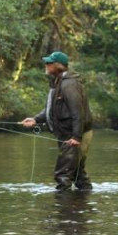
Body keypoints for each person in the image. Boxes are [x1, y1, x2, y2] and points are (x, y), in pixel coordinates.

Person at [21, 51, 93, 191]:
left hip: (73, 136)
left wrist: (76, 137)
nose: (46, 65)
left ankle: (62, 209)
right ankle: (82, 204)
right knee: (78, 175)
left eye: (49, 63)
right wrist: (35, 119)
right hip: (68, 134)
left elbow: (78, 111)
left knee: (62, 175)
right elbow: (52, 109)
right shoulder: (58, 83)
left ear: (58, 66)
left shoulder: (69, 85)